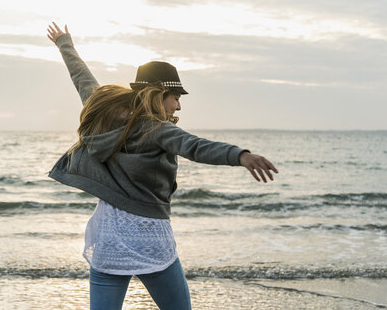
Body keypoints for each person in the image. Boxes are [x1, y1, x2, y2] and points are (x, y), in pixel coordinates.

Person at [46, 22, 278, 310]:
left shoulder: (102, 115)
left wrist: (64, 44)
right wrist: (240, 155)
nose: (179, 107)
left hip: (108, 235)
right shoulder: (157, 130)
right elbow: (195, 146)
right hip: (148, 234)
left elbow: (82, 80)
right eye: (176, 98)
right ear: (158, 94)